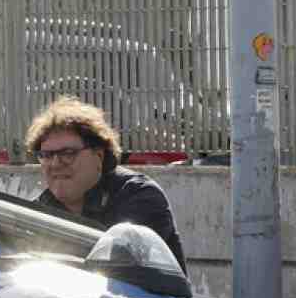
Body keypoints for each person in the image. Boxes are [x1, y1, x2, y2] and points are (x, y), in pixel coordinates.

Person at [27, 96, 187, 271]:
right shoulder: (39, 210)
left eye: (68, 153)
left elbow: (116, 268)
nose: (55, 164)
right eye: (47, 155)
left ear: (99, 156)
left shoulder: (139, 197)